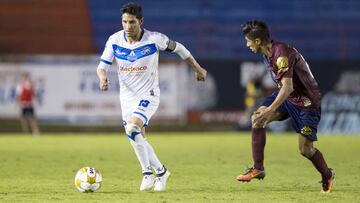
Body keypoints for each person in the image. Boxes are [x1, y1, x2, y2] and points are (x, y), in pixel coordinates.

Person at [96, 2, 207, 191]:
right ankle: (162, 173)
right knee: (136, 137)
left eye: (132, 22)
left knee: (132, 128)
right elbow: (102, 66)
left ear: (140, 21)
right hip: (127, 98)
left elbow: (180, 49)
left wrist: (197, 68)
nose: (127, 27)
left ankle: (147, 174)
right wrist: (103, 77)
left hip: (149, 94)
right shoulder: (114, 40)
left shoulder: (155, 39)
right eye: (124, 22)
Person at [236, 20, 334, 193]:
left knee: (305, 150)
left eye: (248, 41)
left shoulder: (281, 53)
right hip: (289, 98)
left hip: (307, 103)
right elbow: (286, 88)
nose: (247, 44)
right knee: (257, 118)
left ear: (257, 41)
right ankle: (258, 169)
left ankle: (327, 175)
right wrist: (266, 111)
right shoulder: (267, 53)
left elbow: (288, 87)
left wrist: (271, 109)